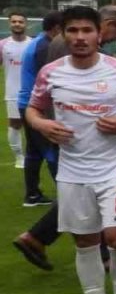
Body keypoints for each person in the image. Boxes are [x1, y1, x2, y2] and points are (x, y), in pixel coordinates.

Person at [27, 5, 116, 294]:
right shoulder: (51, 73)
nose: (80, 37)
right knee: (84, 243)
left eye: (86, 31)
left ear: (99, 33)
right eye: (73, 31)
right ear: (64, 34)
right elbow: (32, 108)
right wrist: (42, 124)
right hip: (73, 170)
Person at [12, 7, 116, 271]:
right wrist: (52, 127)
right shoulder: (66, 49)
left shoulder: (61, 42)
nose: (114, 38)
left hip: (53, 124)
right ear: (107, 24)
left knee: (80, 192)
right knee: (82, 192)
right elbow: (57, 91)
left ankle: (38, 238)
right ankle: (97, 255)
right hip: (61, 129)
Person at [17, 11, 63, 206]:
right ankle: (67, 196)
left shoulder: (38, 42)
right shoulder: (45, 47)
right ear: (56, 29)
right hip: (36, 107)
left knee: (34, 152)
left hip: (26, 104)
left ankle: (32, 195)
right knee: (52, 150)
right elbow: (49, 80)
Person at [3, 13, 32, 166]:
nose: (17, 24)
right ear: (9, 24)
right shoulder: (3, 45)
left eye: (20, 21)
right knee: (15, 124)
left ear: (26, 24)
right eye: (14, 21)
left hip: (33, 92)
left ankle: (34, 155)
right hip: (13, 92)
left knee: (35, 126)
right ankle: (19, 157)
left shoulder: (33, 44)